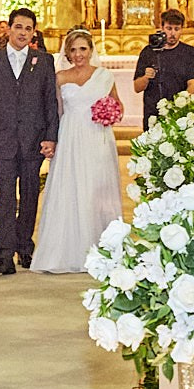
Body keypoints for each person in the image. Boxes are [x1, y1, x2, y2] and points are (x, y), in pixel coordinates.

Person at [31, 30, 125, 273]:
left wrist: (110, 113)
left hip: (98, 138)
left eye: (83, 49)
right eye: (73, 50)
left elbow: (118, 106)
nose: (78, 54)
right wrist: (52, 140)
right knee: (72, 188)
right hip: (71, 137)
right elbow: (57, 112)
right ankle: (68, 250)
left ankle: (100, 248)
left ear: (91, 50)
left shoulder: (104, 76)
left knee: (96, 190)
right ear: (67, 53)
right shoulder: (60, 77)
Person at [0, 8, 60, 276]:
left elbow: (50, 102)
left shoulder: (43, 61)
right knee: (5, 198)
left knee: (29, 195)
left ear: (34, 32)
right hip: (2, 140)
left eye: (28, 28)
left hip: (33, 140)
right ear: (8, 29)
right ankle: (3, 255)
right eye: (18, 27)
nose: (23, 33)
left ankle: (24, 246)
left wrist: (50, 136)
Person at [134, 8, 194, 126]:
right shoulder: (149, 51)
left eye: (177, 29)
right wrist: (146, 77)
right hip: (153, 113)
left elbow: (193, 82)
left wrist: (181, 105)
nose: (172, 33)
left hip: (179, 114)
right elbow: (137, 87)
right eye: (169, 28)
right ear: (162, 28)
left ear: (182, 29)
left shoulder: (189, 52)